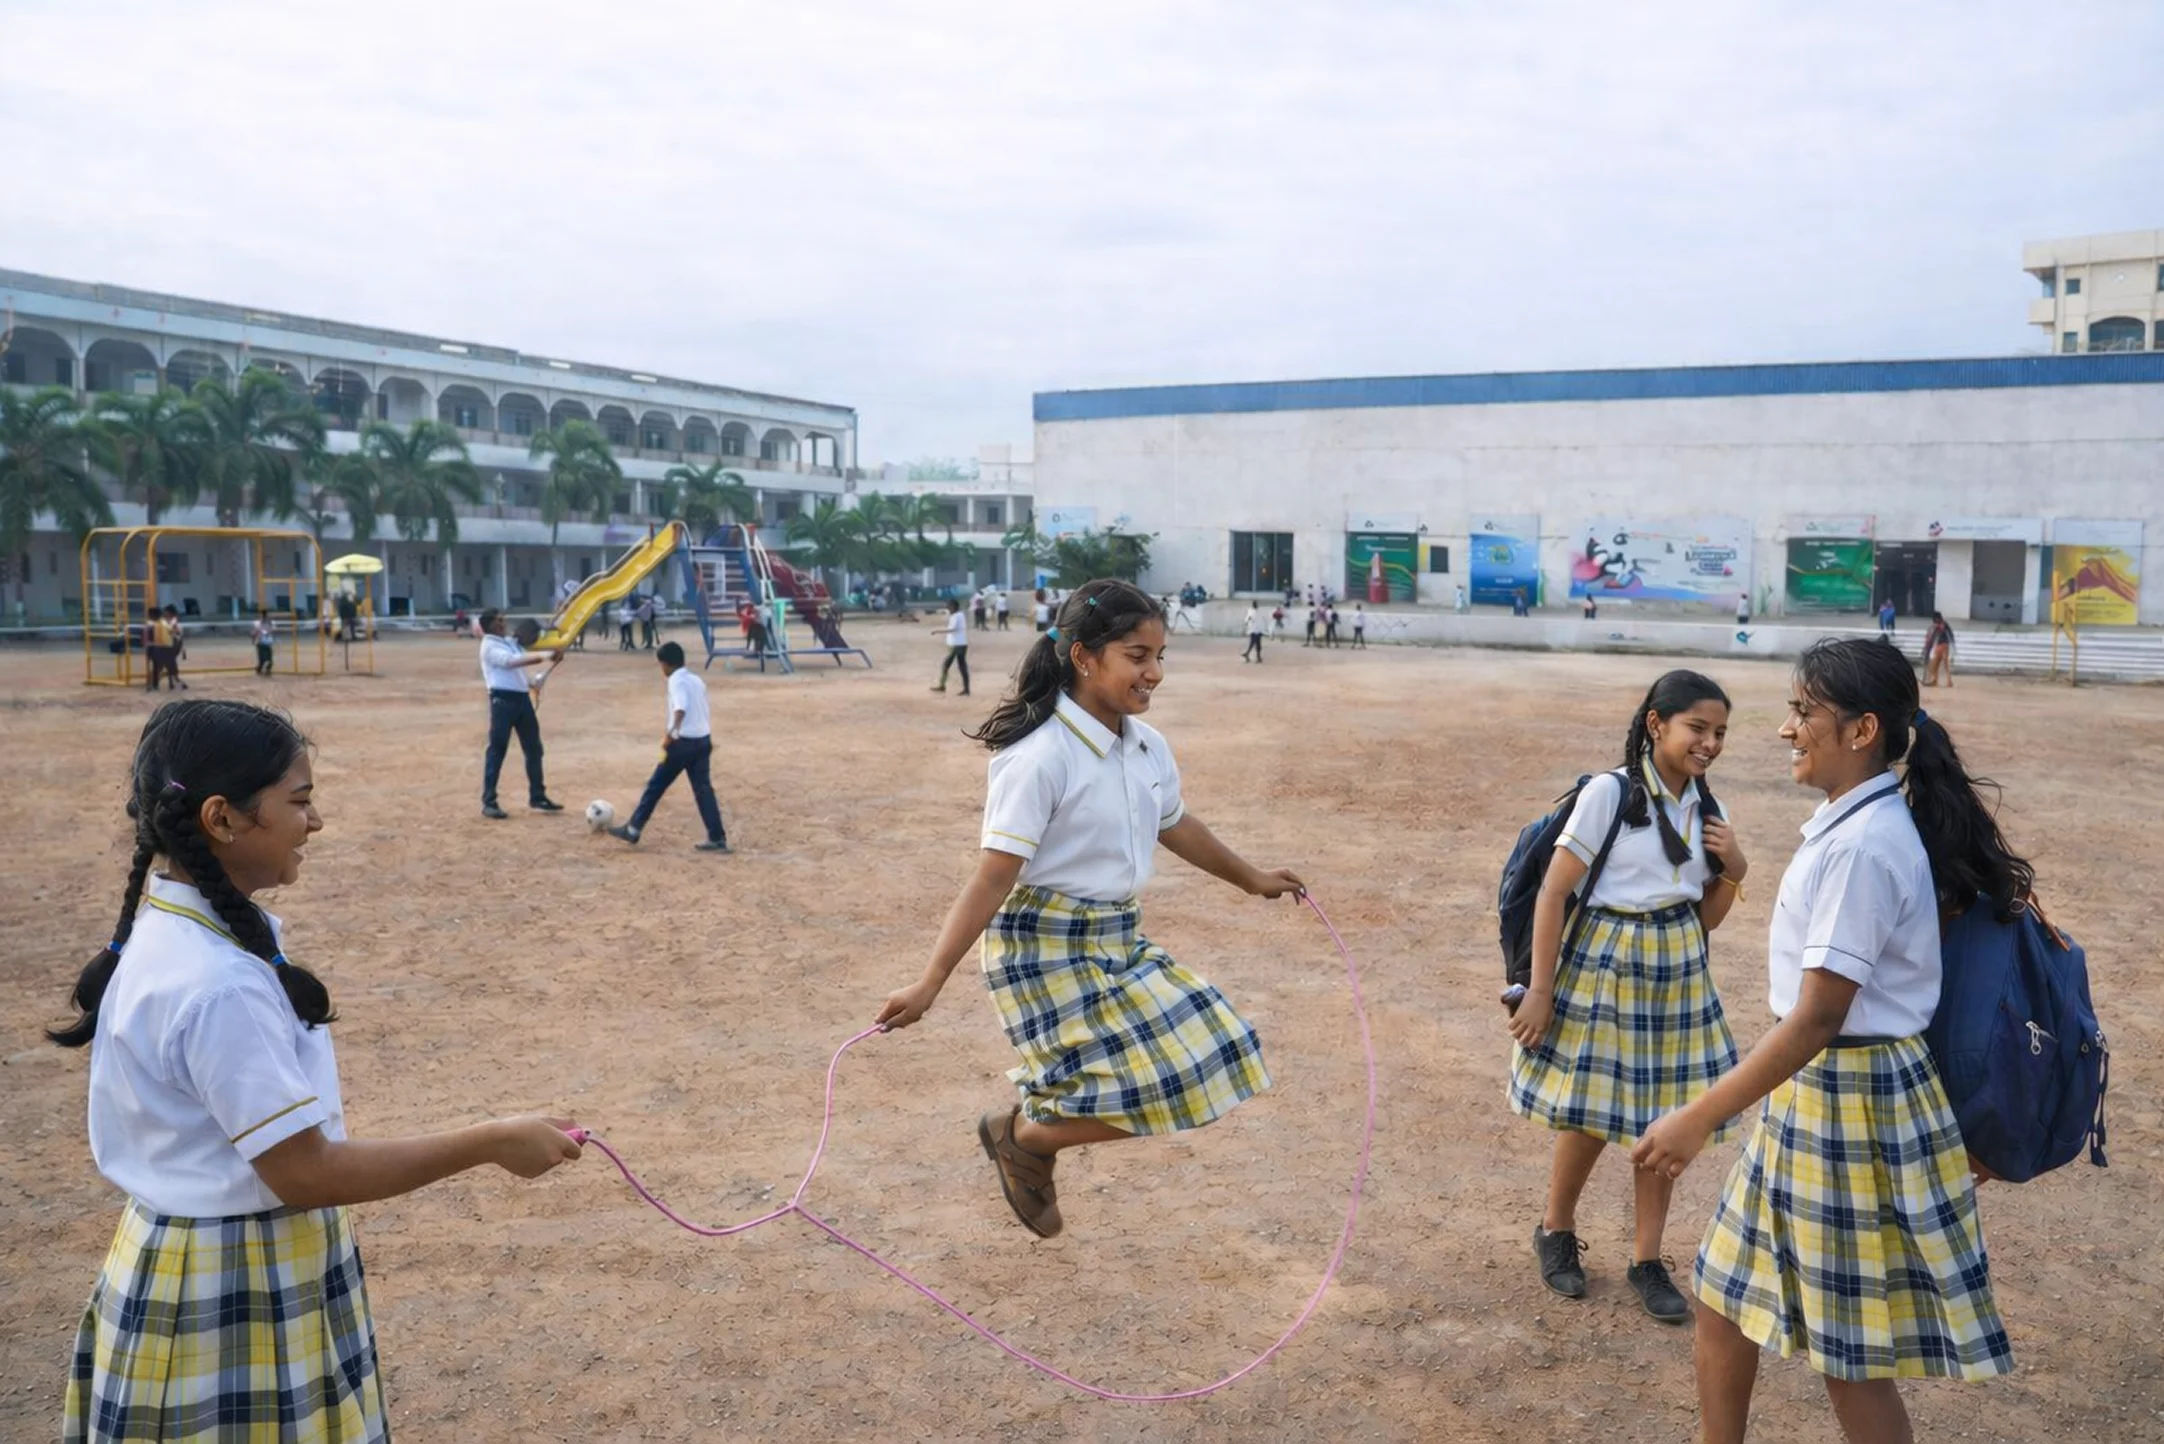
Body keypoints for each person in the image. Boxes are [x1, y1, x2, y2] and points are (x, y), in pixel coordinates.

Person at [50, 699, 582, 1440]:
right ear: (223, 818)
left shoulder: (181, 936)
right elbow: (305, 1173)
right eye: (299, 802)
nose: (317, 822)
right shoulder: (215, 985)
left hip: (213, 1260)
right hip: (229, 1283)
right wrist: (490, 1142)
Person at [1633, 638, 2020, 1442]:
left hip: (1848, 1099)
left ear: (1862, 729)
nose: (1786, 730)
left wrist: (1699, 1115)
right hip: (1820, 1096)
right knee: (1722, 1296)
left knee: (1849, 1357)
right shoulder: (1859, 827)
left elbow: (1817, 1017)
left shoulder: (1862, 847)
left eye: (1804, 712)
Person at [874, 580, 1303, 1238]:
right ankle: (1026, 1136)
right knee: (1147, 1087)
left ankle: (1023, 1136)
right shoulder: (1038, 759)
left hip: (1116, 935)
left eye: (1161, 656)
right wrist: (930, 980)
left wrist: (1252, 879)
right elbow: (992, 878)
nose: (1154, 673)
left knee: (1223, 1054)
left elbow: (1176, 824)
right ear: (1083, 657)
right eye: (1137, 656)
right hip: (1040, 946)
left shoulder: (1147, 745)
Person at [1507, 670, 1747, 1325]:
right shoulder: (1609, 794)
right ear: (1656, 724)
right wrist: (1540, 992)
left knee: (1668, 1120)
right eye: (1698, 728)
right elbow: (1555, 892)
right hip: (1607, 962)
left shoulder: (1708, 809)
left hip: (1678, 967)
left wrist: (1736, 871)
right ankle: (1555, 1229)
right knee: (1589, 1112)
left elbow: (1706, 920)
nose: (1710, 743)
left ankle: (1647, 1259)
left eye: (1720, 732)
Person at [606, 642, 731, 852]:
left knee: (655, 785)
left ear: (665, 664)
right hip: (702, 740)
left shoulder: (676, 681)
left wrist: (670, 735)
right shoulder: (696, 680)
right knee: (703, 790)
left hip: (682, 743)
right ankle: (717, 837)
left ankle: (634, 829)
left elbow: (680, 709)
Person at [478, 608, 564, 820]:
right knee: (497, 751)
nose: (503, 623)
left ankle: (538, 795)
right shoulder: (489, 646)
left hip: (521, 700)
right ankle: (489, 802)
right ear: (489, 625)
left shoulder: (508, 642)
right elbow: (510, 661)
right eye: (499, 621)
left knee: (534, 749)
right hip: (502, 701)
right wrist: (545, 655)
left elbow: (520, 672)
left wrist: (538, 678)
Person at [931, 598, 972, 696]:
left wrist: (937, 631)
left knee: (946, 664)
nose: (948, 609)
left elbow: (952, 629)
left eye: (949, 607)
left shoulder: (955, 616)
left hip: (956, 645)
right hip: (961, 643)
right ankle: (966, 689)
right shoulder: (960, 615)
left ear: (953, 607)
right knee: (962, 666)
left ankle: (942, 685)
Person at [1923, 611, 1956, 688]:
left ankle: (1937, 680)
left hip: (1942, 645)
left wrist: (1928, 646)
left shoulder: (1941, 624)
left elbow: (1939, 631)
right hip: (1943, 645)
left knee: (1935, 664)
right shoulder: (1942, 624)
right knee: (1942, 664)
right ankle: (1946, 681)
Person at [162, 606, 191, 691]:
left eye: (166, 612)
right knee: (169, 663)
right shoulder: (167, 622)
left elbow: (176, 635)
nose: (164, 614)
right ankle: (173, 680)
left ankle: (174, 680)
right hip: (170, 645)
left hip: (173, 646)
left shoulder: (174, 622)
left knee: (170, 663)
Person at [251, 609, 275, 676]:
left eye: (265, 615)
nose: (265, 616)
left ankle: (267, 670)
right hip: (261, 643)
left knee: (269, 659)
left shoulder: (269, 623)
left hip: (267, 643)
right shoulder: (258, 623)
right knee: (262, 659)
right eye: (263, 615)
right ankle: (259, 669)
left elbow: (271, 632)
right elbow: (253, 633)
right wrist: (253, 640)